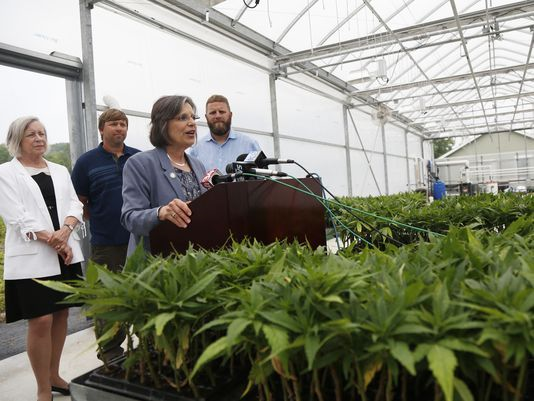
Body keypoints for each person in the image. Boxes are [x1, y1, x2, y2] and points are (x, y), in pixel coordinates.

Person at [0, 116, 85, 401]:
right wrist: (55, 240)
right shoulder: (5, 173)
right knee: (41, 320)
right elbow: (17, 216)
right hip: (33, 257)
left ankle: (54, 375)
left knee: (61, 314)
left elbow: (75, 202)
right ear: (17, 141)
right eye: (31, 134)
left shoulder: (60, 170)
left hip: (65, 252)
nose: (39, 138)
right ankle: (42, 389)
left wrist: (66, 231)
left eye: (42, 133)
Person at [71, 108, 140, 361]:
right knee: (108, 300)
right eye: (113, 124)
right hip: (106, 243)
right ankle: (111, 352)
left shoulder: (138, 158)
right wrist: (101, 218)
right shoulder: (86, 162)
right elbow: (79, 201)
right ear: (102, 129)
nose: (119, 128)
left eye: (123, 124)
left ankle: (148, 344)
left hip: (140, 240)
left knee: (145, 292)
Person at [121, 95, 207, 254]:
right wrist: (160, 213)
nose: (192, 123)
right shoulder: (140, 164)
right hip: (158, 266)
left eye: (193, 117)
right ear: (163, 124)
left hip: (197, 262)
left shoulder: (198, 165)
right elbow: (130, 218)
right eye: (183, 117)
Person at [188, 94, 261, 172]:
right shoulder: (196, 149)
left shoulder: (249, 144)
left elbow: (263, 178)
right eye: (213, 112)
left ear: (230, 115)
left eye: (222, 112)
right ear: (206, 117)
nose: (218, 116)